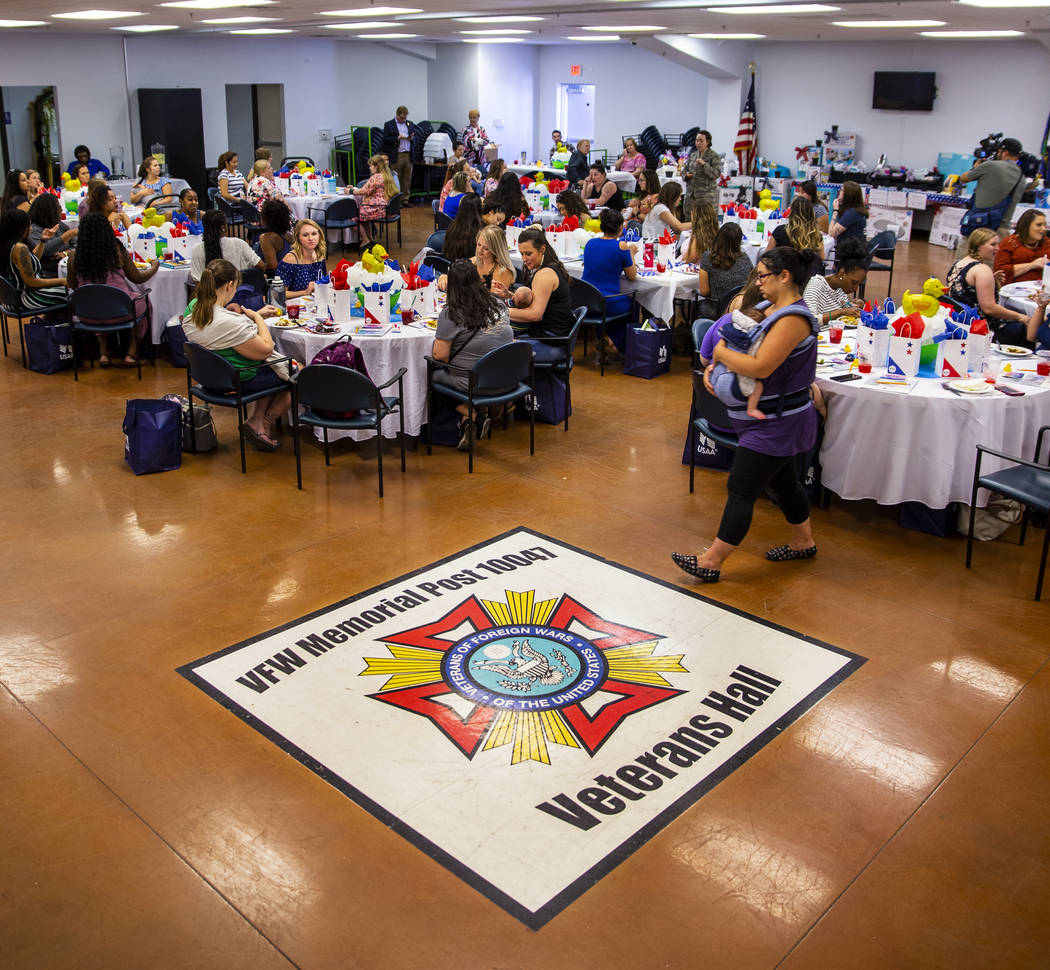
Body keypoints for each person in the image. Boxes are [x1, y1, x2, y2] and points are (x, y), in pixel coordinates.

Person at [672, 246, 821, 584]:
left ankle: (711, 561)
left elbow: (759, 365)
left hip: (776, 422)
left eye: (764, 275)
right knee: (784, 482)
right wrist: (715, 368)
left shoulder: (793, 319)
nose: (758, 282)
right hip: (768, 418)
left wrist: (720, 352)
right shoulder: (771, 309)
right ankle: (804, 542)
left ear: (785, 277)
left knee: (741, 487)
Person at [183, 258, 292, 451]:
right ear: (230, 284)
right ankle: (263, 424)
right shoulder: (229, 322)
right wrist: (258, 318)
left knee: (271, 367)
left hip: (208, 376)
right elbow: (265, 348)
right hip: (235, 380)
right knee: (295, 370)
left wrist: (247, 317)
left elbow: (223, 332)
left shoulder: (194, 308)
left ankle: (255, 420)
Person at [432, 258, 515, 449]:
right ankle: (469, 420)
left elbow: (440, 356)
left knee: (432, 374)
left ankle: (473, 415)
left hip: (475, 381)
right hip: (507, 376)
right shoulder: (498, 303)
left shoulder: (451, 312)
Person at [66, 212, 159, 367]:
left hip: (87, 315)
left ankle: (103, 353)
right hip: (121, 312)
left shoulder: (74, 257)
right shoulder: (116, 251)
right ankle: (131, 352)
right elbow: (137, 278)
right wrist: (155, 266)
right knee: (144, 301)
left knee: (95, 300)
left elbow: (72, 285)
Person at [493, 227, 574, 359]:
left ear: (542, 249)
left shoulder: (545, 274)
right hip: (550, 336)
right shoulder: (551, 267)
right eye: (521, 254)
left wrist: (498, 310)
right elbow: (538, 302)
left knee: (493, 349)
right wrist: (509, 295)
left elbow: (535, 314)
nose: (524, 259)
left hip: (549, 342)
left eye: (528, 253)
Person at [947, 228, 1034, 346]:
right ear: (979, 246)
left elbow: (964, 290)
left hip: (960, 321)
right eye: (993, 244)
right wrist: (1020, 317)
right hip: (981, 329)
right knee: (1026, 327)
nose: (997, 248)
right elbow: (989, 308)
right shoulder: (982, 270)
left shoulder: (959, 263)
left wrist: (991, 280)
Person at [582, 208, 638, 356]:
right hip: (607, 303)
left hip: (587, 301)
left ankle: (605, 337)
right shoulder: (621, 246)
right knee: (635, 302)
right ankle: (620, 345)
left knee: (610, 302)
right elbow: (632, 276)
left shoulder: (590, 243)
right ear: (621, 228)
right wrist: (631, 253)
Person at [958, 137, 1029, 245]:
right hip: (1001, 231)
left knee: (965, 260)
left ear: (1004, 153)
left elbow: (963, 179)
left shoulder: (990, 165)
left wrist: (975, 168)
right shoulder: (1021, 177)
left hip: (979, 227)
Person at [0, 207, 67, 312]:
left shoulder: (8, 245)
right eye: (28, 226)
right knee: (73, 293)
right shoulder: (20, 248)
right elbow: (31, 282)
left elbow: (30, 261)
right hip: (25, 299)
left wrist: (43, 241)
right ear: (19, 228)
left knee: (68, 291)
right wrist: (62, 281)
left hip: (11, 300)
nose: (31, 229)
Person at [802, 236, 868, 327]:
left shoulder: (839, 288)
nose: (855, 288)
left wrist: (857, 306)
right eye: (853, 282)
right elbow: (809, 320)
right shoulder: (816, 286)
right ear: (842, 273)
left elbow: (846, 308)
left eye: (858, 284)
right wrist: (840, 312)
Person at [697, 222, 753, 317]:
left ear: (718, 237)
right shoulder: (745, 258)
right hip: (741, 308)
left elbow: (704, 291)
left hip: (716, 309)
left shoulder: (708, 258)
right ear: (739, 240)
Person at [191, 210, 264, 283]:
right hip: (240, 292)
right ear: (223, 227)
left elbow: (197, 282)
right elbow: (261, 265)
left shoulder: (197, 250)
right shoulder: (239, 244)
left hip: (210, 294)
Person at [993, 209, 1050, 284]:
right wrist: (1032, 265)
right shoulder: (1009, 243)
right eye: (1039, 225)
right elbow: (1000, 272)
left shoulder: (1047, 242)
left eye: (1044, 225)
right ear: (1027, 225)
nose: (1043, 229)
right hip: (1015, 290)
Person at [28, 193, 77, 278]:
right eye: (58, 207)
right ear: (49, 211)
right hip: (47, 274)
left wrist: (65, 253)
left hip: (67, 269)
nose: (61, 210)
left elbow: (77, 245)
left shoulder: (59, 224)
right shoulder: (33, 230)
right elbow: (47, 250)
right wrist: (68, 234)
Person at [277, 218, 327, 298]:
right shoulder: (290, 259)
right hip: (294, 305)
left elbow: (324, 283)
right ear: (298, 239)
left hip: (314, 303)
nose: (311, 238)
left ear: (319, 236)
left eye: (314, 234)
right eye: (305, 235)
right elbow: (279, 294)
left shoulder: (319, 255)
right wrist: (305, 292)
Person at [353, 154, 396, 246]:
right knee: (364, 218)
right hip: (385, 207)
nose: (369, 168)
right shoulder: (387, 175)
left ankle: (365, 240)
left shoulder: (375, 177)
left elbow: (364, 191)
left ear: (376, 166)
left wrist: (351, 190)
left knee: (353, 217)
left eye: (371, 165)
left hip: (377, 207)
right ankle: (371, 239)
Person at [382, 105, 414, 207]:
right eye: (401, 118)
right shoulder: (389, 125)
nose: (403, 120)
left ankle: (405, 200)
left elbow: (415, 136)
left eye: (405, 118)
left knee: (407, 178)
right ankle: (396, 201)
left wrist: (412, 138)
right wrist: (397, 137)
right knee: (396, 178)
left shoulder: (410, 124)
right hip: (397, 154)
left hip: (408, 154)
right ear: (397, 115)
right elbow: (385, 139)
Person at [682, 130, 719, 218]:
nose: (698, 143)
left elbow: (716, 174)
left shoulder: (714, 156)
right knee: (689, 220)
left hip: (705, 196)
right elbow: (684, 170)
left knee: (705, 221)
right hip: (691, 196)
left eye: (701, 141)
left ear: (708, 142)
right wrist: (686, 175)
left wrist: (704, 165)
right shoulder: (693, 155)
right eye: (697, 140)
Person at [443, 194, 484, 262]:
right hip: (466, 268)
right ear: (479, 210)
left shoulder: (452, 225)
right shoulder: (478, 232)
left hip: (450, 265)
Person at [259, 199, 292, 274]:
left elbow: (272, 266)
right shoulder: (288, 235)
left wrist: (257, 264)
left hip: (275, 279)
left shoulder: (266, 238)